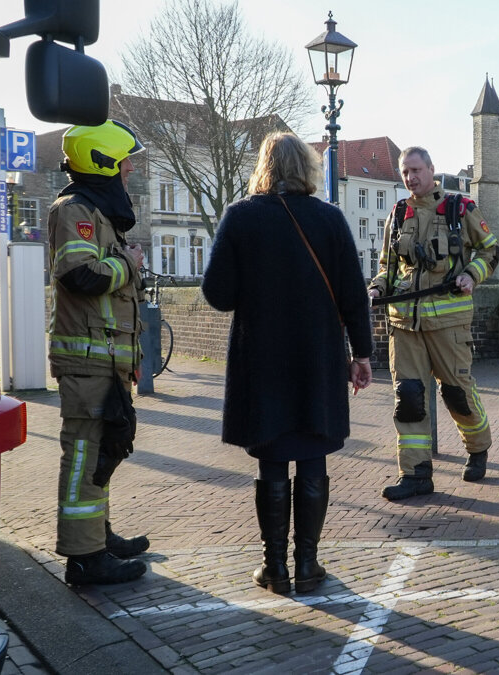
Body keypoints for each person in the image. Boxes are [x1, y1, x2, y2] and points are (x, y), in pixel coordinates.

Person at [202, 132, 373, 594]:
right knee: (313, 456)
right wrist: (361, 355)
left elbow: (216, 294)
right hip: (317, 357)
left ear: (264, 167)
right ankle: (309, 566)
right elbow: (355, 296)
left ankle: (273, 568)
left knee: (272, 460)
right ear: (307, 168)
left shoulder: (240, 217)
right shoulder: (330, 219)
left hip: (262, 359)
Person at [48, 120, 151, 586]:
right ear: (104, 162)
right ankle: (84, 558)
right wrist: (127, 262)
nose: (130, 170)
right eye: (126, 161)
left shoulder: (96, 211)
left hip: (105, 362)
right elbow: (80, 276)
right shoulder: (75, 211)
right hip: (87, 361)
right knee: (85, 455)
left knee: (104, 450)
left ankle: (97, 535)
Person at [368, 147, 499, 500]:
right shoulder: (397, 214)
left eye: (415, 169)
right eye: (404, 172)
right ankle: (415, 475)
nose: (410, 177)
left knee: (457, 394)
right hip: (405, 326)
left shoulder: (461, 209)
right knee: (408, 399)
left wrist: (473, 274)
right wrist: (376, 288)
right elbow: (387, 268)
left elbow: (490, 250)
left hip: (449, 325)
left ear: (431, 169)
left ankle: (478, 448)